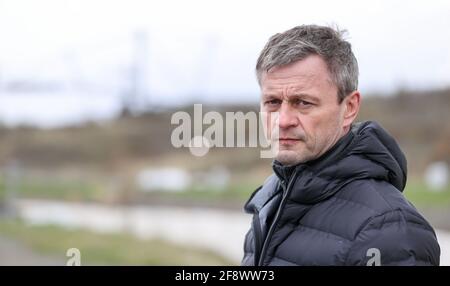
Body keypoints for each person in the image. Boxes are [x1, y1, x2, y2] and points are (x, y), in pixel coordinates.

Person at [241, 25, 440, 266]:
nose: (282, 121)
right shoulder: (270, 202)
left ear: (349, 108)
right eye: (272, 102)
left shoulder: (387, 231)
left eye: (303, 102)